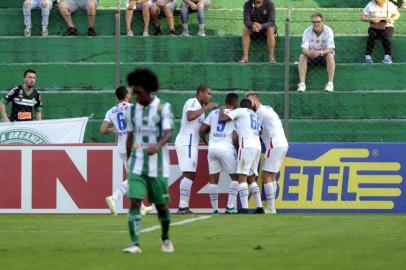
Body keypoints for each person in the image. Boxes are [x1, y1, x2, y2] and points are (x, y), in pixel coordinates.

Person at [123, 68, 175, 253]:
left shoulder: (163, 108)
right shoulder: (131, 111)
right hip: (137, 164)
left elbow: (168, 133)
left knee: (161, 206)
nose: (136, 96)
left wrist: (158, 145)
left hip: (158, 166)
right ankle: (135, 244)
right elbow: (130, 136)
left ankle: (165, 238)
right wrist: (129, 160)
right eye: (134, 93)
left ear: (149, 90)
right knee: (135, 201)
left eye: (139, 93)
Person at [101, 86, 153, 216]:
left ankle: (141, 207)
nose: (130, 95)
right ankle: (113, 198)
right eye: (129, 93)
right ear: (126, 95)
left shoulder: (111, 111)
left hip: (121, 147)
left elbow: (103, 130)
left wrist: (114, 129)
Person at [175, 85, 217, 214]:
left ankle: (183, 206)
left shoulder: (201, 109)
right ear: (200, 93)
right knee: (189, 174)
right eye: (208, 94)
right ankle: (182, 207)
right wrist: (206, 108)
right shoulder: (192, 102)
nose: (210, 96)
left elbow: (199, 130)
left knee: (190, 174)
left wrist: (206, 141)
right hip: (186, 142)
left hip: (192, 143)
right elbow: (189, 116)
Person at [246, 91, 288, 214]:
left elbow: (254, 130)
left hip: (273, 144)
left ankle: (271, 207)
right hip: (281, 143)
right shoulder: (268, 109)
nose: (248, 103)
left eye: (250, 100)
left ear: (256, 99)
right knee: (272, 176)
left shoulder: (260, 112)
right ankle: (272, 206)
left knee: (265, 176)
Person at [199, 93, 240, 214]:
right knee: (236, 177)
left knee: (213, 180)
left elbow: (202, 130)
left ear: (225, 101)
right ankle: (230, 207)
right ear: (236, 104)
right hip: (226, 148)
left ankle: (215, 209)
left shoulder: (214, 113)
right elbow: (234, 136)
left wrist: (205, 140)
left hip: (212, 148)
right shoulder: (235, 114)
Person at [219, 98, 262, 214]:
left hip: (246, 146)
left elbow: (223, 118)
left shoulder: (241, 111)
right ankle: (260, 207)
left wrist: (222, 110)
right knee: (251, 177)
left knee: (242, 176)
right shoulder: (254, 114)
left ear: (241, 106)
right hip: (257, 147)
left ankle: (244, 208)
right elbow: (261, 131)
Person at [297, 12, 335, 93]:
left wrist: (321, 52)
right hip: (312, 56)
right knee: (302, 56)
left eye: (318, 22)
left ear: (322, 21)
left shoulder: (328, 31)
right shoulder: (307, 31)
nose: (316, 24)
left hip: (324, 56)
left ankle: (330, 83)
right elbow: (303, 49)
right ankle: (302, 84)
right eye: (314, 22)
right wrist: (309, 53)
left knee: (330, 55)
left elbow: (331, 48)